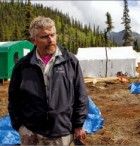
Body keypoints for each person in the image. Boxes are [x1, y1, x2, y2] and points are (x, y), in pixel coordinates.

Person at [8, 16, 89, 145]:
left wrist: (78, 125)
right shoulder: (23, 66)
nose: (51, 40)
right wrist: (20, 127)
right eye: (44, 37)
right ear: (34, 40)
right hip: (32, 133)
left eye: (53, 35)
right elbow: (14, 99)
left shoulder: (70, 61)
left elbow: (81, 95)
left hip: (62, 133)